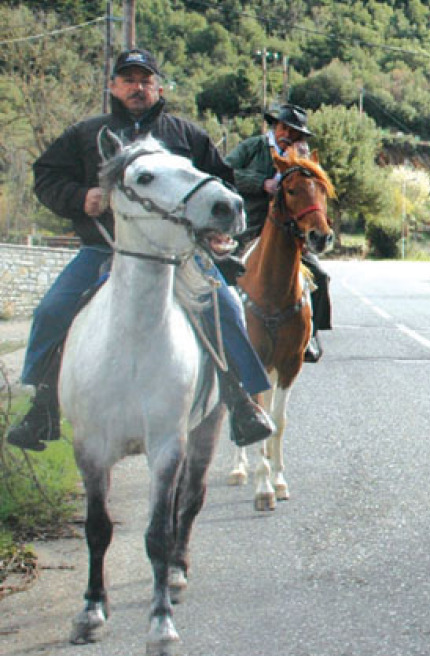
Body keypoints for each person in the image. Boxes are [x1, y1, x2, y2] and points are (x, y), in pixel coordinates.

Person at [5, 48, 275, 452]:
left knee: (227, 308)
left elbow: (222, 184)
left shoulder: (186, 136)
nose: (138, 88)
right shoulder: (85, 134)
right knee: (50, 311)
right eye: (129, 80)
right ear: (113, 86)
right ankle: (42, 407)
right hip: (104, 251)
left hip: (180, 255)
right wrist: (81, 197)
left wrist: (214, 231)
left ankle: (241, 401)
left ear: (159, 87)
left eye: (145, 80)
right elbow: (45, 175)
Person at [226, 103, 331, 362]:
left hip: (289, 233)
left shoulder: (303, 158)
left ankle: (311, 333)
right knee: (224, 272)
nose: (292, 138)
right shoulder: (253, 147)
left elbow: (313, 193)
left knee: (319, 274)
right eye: (288, 130)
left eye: (298, 134)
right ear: (277, 127)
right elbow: (225, 171)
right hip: (251, 226)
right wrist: (261, 184)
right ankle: (223, 331)